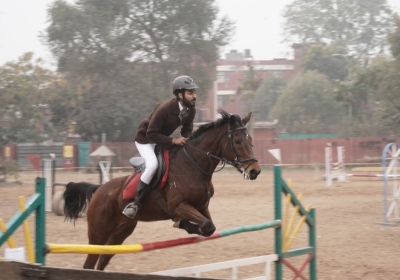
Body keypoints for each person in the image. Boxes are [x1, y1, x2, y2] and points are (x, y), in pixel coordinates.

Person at [122, 75, 198, 219]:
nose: (194, 96)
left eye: (194, 92)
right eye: (190, 93)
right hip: (145, 139)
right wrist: (173, 141)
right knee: (153, 166)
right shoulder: (165, 109)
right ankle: (136, 203)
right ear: (180, 95)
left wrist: (187, 141)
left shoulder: (190, 110)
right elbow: (151, 134)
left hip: (161, 139)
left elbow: (187, 130)